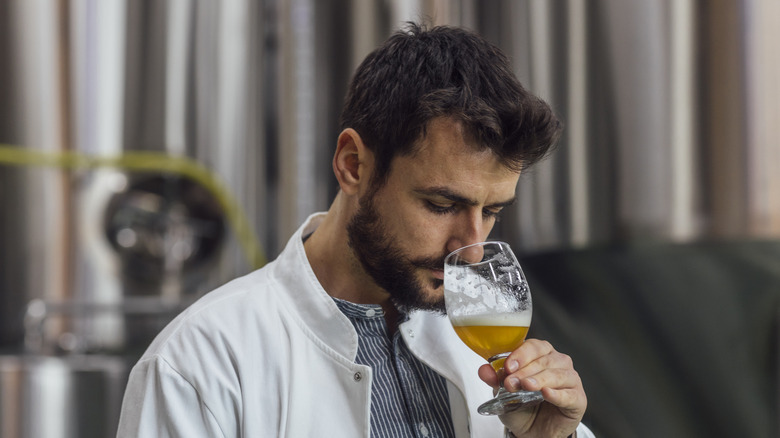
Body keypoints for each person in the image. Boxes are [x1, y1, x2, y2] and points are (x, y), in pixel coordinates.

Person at [116, 22, 594, 438]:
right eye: (442, 204)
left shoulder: (479, 339)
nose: (471, 251)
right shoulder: (200, 363)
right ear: (352, 166)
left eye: (492, 211)